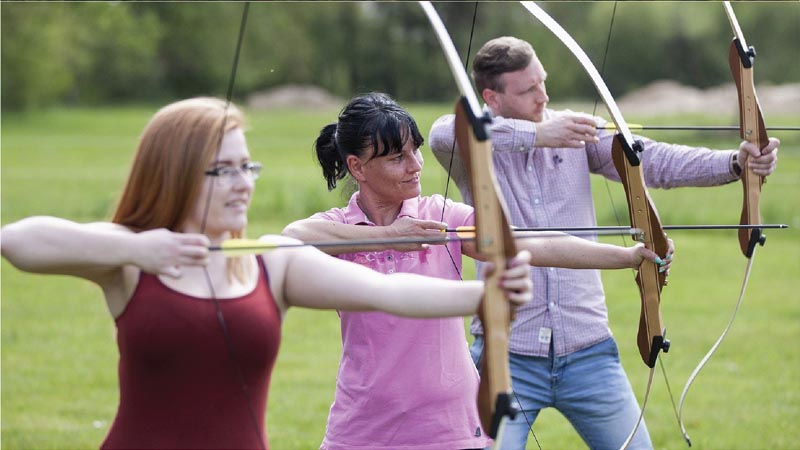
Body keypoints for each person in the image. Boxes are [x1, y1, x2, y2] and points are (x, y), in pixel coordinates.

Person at [0, 97, 541, 450]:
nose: (242, 183)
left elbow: (389, 291)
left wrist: (486, 292)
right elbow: (18, 242)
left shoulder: (270, 262)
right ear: (177, 172)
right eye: (222, 169)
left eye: (247, 167)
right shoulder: (129, 262)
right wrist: (142, 248)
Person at [427, 36, 781, 450]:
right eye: (528, 90)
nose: (543, 96)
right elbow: (443, 132)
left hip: (587, 351)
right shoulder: (474, 144)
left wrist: (735, 163)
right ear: (493, 97)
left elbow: (651, 159)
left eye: (542, 82)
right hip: (506, 358)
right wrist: (536, 136)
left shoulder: (577, 132)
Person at [281, 92, 674, 450]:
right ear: (357, 167)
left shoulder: (441, 217)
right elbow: (291, 238)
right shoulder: (339, 227)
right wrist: (386, 236)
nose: (416, 165)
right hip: (363, 428)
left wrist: (626, 256)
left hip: (452, 428)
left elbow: (530, 243)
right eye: (397, 157)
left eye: (414, 151)